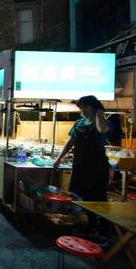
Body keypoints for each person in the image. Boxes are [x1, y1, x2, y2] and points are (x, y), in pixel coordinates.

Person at [54, 95, 110, 239]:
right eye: (81, 107)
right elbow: (70, 142)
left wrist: (98, 115)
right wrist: (59, 158)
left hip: (97, 168)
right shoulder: (79, 123)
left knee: (98, 198)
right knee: (84, 197)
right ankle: (91, 226)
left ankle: (103, 231)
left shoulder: (102, 122)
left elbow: (103, 130)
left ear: (94, 107)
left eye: (86, 107)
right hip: (80, 166)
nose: (83, 110)